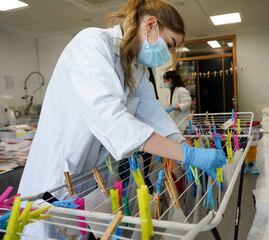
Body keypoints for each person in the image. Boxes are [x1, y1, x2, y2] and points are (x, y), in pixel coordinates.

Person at [18, 0, 226, 238]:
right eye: (169, 45)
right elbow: (113, 120)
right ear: (150, 25)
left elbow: (153, 114)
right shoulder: (92, 43)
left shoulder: (135, 68)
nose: (168, 55)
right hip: (57, 177)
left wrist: (184, 146)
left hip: (90, 179)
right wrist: (187, 155)